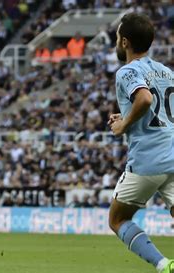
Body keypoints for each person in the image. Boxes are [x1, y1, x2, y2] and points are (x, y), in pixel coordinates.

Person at [108, 13, 173, 273]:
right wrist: (126, 117)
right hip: (172, 153)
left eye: (116, 38)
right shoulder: (166, 71)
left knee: (118, 218)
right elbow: (161, 113)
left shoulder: (128, 70)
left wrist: (124, 124)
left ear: (125, 42)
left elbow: (145, 100)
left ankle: (163, 264)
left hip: (148, 159)